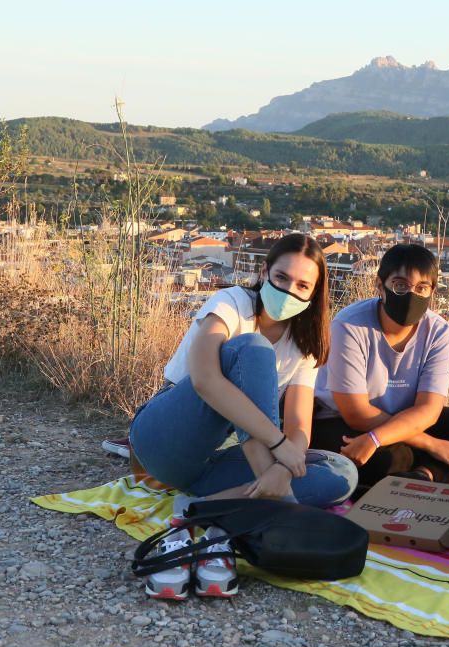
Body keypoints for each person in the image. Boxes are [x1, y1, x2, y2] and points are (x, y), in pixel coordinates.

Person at [129, 234, 358, 599]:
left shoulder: (305, 343)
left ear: (314, 294)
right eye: (281, 278)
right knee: (253, 348)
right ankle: (260, 498)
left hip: (210, 468)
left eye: (302, 286)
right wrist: (278, 447)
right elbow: (204, 381)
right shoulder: (232, 303)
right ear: (264, 271)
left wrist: (284, 467)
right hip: (166, 437)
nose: (289, 291)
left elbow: (300, 427)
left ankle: (202, 509)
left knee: (341, 473)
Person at [311, 243, 449, 491]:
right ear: (380, 285)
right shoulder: (349, 326)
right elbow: (356, 412)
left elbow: (429, 409)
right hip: (341, 421)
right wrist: (432, 444)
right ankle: (425, 469)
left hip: (406, 419)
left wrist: (387, 438)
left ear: (432, 292)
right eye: (400, 285)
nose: (411, 295)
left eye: (421, 288)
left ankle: (424, 476)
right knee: (392, 458)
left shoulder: (437, 331)